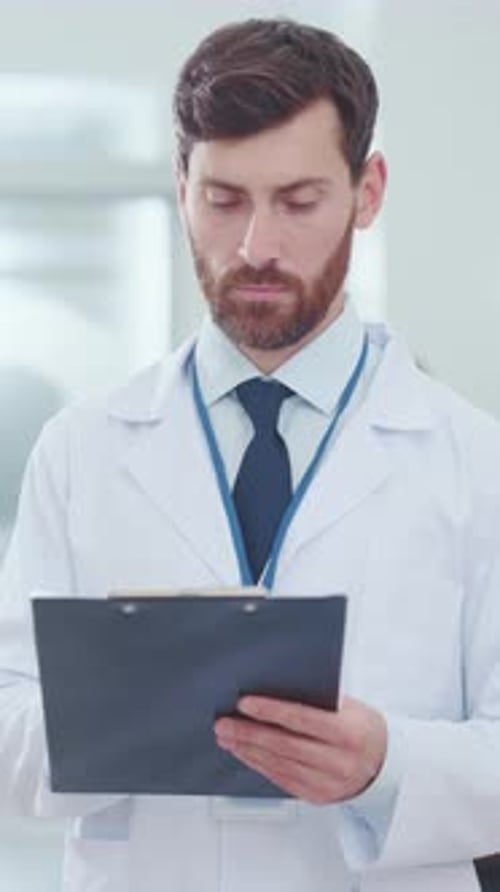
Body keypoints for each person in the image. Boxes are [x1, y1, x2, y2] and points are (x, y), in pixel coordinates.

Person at [1, 17, 500, 892]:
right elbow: (8, 739)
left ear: (368, 190)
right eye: (224, 199)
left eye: (299, 202)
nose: (256, 247)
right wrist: (125, 709)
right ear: (180, 184)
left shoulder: (472, 460)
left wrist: (386, 763)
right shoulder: (82, 450)